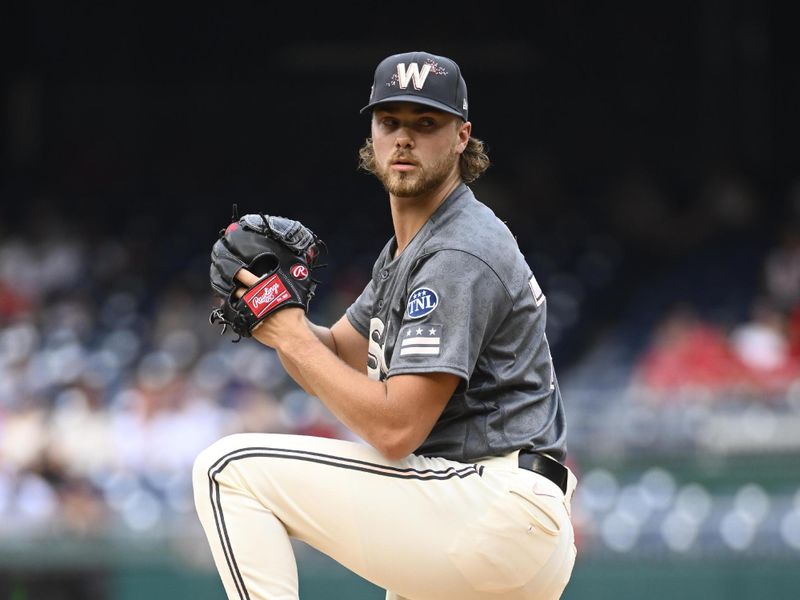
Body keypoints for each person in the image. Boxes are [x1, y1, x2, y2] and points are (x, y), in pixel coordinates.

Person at [192, 50, 577, 600]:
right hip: (494, 518)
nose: (404, 138)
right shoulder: (414, 248)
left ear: (462, 137)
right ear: (371, 134)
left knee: (226, 468)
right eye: (390, 122)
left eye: (426, 124)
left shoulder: (458, 251)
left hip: (489, 503)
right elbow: (337, 353)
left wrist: (289, 334)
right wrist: (272, 309)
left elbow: (396, 430)